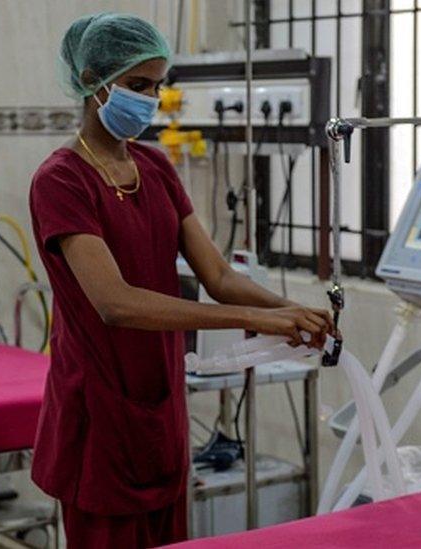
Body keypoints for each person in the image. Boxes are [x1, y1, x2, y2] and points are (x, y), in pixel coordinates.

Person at [29, 13, 334, 548]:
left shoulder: (156, 167)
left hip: (160, 410)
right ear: (92, 83)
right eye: (138, 85)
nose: (151, 99)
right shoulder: (62, 180)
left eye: (158, 84)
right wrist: (254, 319)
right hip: (97, 416)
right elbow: (116, 304)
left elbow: (216, 274)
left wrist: (290, 311)